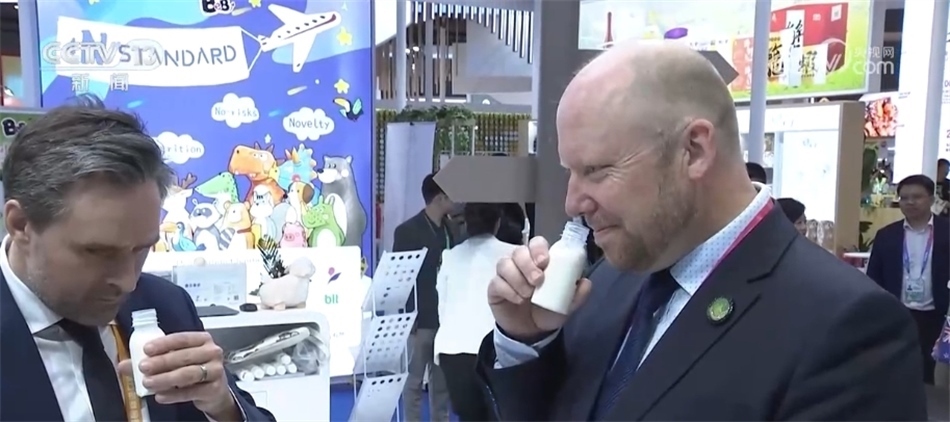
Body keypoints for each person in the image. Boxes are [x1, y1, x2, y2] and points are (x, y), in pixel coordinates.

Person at [478, 41, 926, 420]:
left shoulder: (846, 327)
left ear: (693, 150)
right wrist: (527, 340)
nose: (573, 202)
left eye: (596, 170)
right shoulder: (607, 283)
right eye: (570, 172)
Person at [0, 96, 274, 422]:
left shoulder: (167, 306)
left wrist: (223, 407)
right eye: (98, 252)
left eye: (142, 249)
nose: (128, 282)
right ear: (21, 224)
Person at [866, 174, 950, 385]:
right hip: (898, 314)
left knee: (933, 375)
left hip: (938, 316)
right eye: (904, 198)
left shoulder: (947, 232)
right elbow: (874, 278)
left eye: (917, 197)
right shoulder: (887, 235)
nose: (910, 202)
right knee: (899, 371)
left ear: (931, 199)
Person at [434, 203, 514, 421]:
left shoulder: (450, 256)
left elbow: (442, 305)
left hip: (453, 350)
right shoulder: (513, 254)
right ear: (497, 222)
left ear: (467, 223)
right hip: (492, 350)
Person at [392, 173, 456, 422]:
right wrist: (409, 319)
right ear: (439, 197)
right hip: (420, 321)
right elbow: (400, 279)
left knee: (442, 384)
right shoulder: (407, 231)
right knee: (414, 381)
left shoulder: (453, 229)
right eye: (451, 194)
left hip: (446, 319)